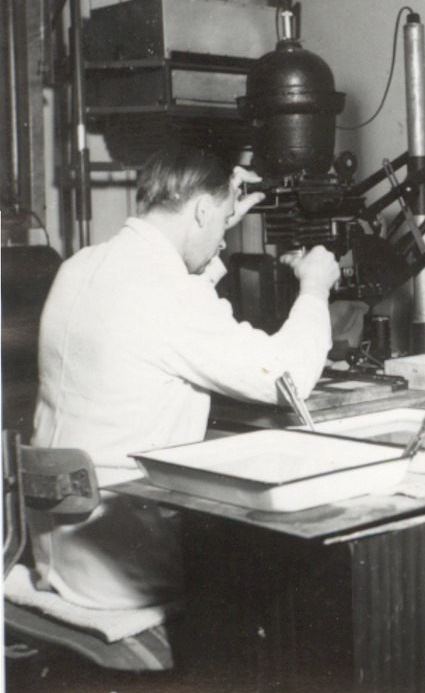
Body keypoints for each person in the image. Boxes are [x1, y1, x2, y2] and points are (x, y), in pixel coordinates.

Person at [29, 145, 340, 610]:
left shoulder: (79, 266)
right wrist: (314, 289)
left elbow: (163, 312)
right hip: (127, 567)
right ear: (199, 211)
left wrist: (217, 225)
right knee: (309, 564)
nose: (222, 242)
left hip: (58, 554)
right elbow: (288, 378)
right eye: (220, 224)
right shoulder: (168, 293)